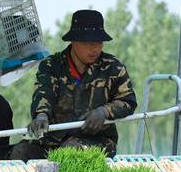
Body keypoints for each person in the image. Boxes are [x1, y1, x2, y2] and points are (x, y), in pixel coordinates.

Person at [10, 9, 137, 160]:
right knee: (20, 152)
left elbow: (128, 100)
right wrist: (41, 115)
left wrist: (104, 111)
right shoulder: (51, 65)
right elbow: (44, 94)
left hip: (97, 141)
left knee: (70, 151)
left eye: (98, 42)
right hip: (51, 141)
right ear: (74, 41)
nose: (94, 48)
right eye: (87, 43)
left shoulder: (113, 68)